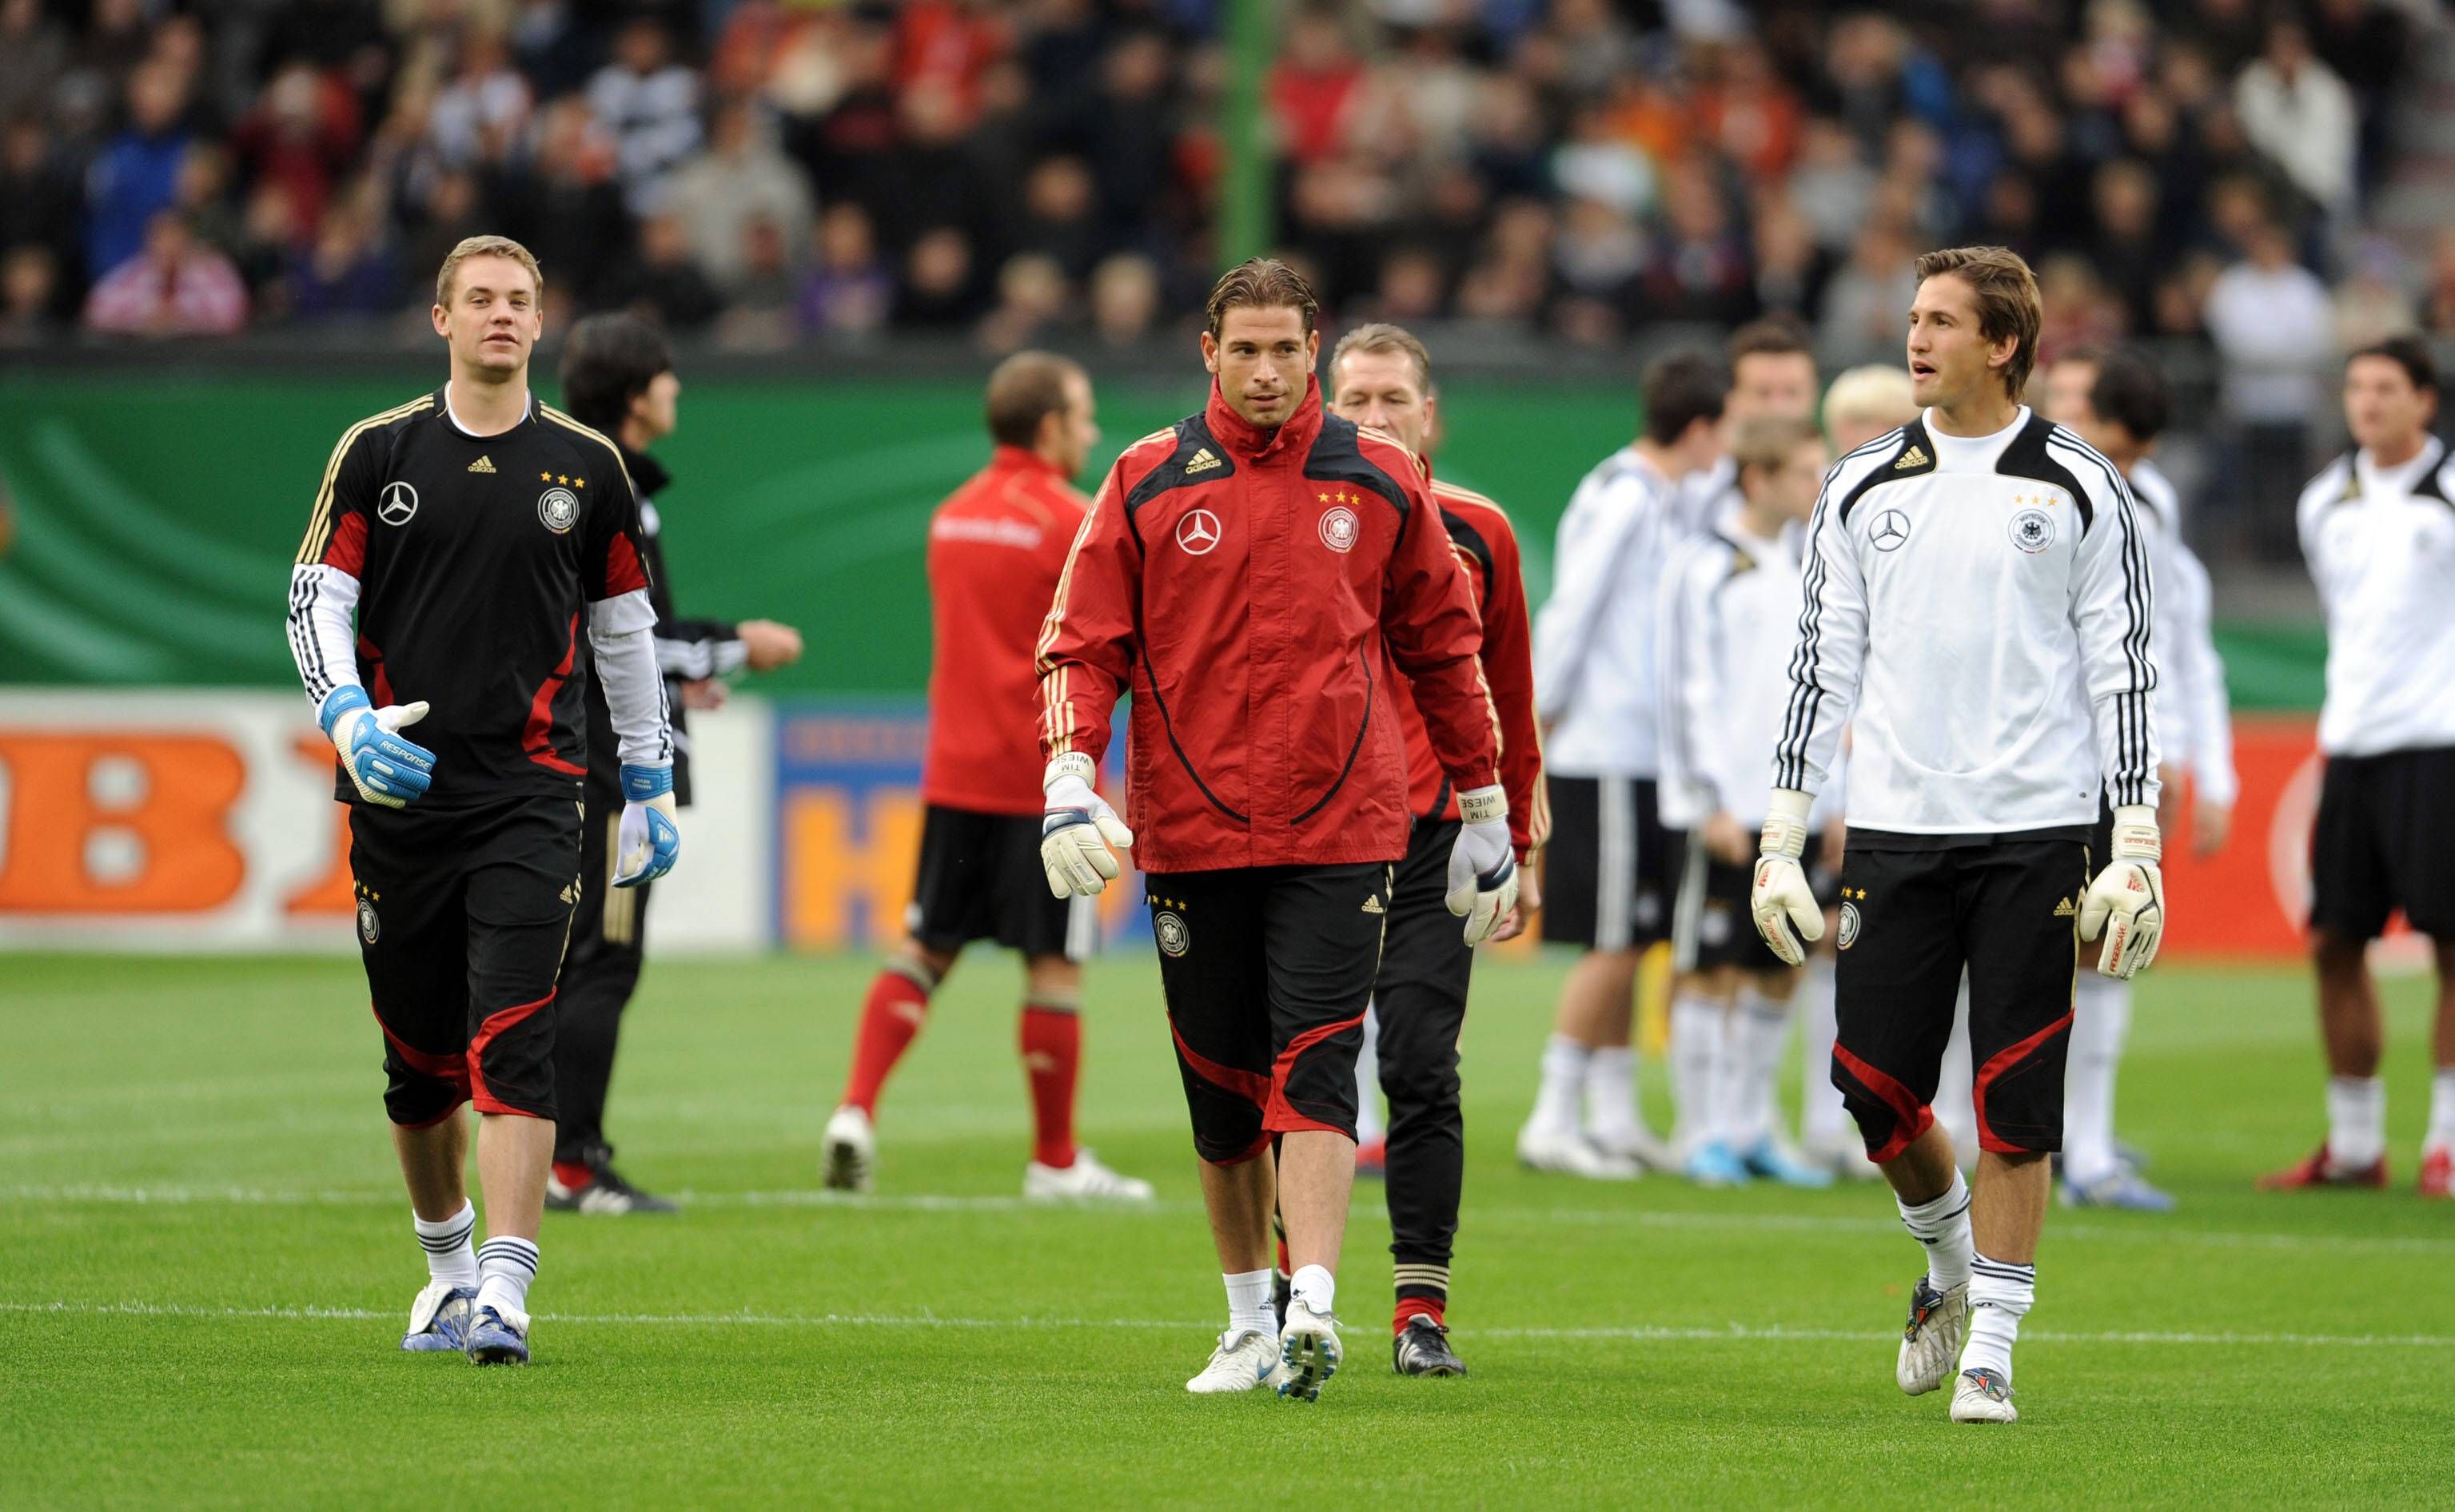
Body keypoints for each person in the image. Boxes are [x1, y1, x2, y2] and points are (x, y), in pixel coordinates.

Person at [1035, 259, 1513, 1401]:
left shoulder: (1378, 476)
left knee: (1316, 1064)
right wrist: (1066, 772)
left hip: (1345, 822)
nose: (1263, 372)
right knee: (1218, 1087)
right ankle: (1245, 1318)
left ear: (1316, 352)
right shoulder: (1145, 477)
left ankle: (1312, 1305)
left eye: (1284, 351)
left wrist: (1484, 803)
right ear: (1207, 351)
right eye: (1243, 350)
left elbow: (1445, 648)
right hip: (1189, 827)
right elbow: (1079, 643)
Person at [1755, 245, 2162, 1424]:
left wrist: (2131, 845)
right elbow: (1815, 670)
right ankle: (1942, 1264)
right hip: (1892, 830)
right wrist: (1782, 835)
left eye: (1940, 321)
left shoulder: (2080, 483)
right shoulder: (1858, 484)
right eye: (1912, 317)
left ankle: (1991, 1340)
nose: (1914, 338)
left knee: (2015, 1100)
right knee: (1869, 1086)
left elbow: (2119, 671)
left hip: (2036, 832)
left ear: (2001, 344)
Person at [284, 235, 680, 1366]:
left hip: (534, 795)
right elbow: (315, 598)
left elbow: (624, 637)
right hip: (399, 795)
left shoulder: (587, 468)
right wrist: (348, 720)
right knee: (418, 1066)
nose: (501, 316)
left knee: (513, 1036)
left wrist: (646, 782)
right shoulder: (376, 452)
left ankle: (506, 1292)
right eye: (481, 300)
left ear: (541, 322)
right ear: (441, 318)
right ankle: (447, 1272)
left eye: (519, 301)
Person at [822, 352, 1154, 1203]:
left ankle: (855, 1108)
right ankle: (1052, 1159)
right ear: (1048, 427)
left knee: (925, 947)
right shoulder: (1072, 522)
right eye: (1080, 416)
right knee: (1052, 967)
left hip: (953, 772)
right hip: (1047, 780)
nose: (1088, 432)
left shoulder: (950, 516)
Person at [1321, 321, 1545, 1377]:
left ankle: (1420, 1312)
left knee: (1417, 1062)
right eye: (1353, 401)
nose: (1371, 420)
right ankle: (1288, 1298)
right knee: (1303, 1071)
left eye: (1390, 402)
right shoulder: (1287, 521)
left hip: (1433, 836)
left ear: (1428, 415)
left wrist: (1518, 838)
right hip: (1309, 834)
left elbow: (1509, 695)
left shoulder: (1477, 531)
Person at [544, 312, 804, 1215]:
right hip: (607, 765)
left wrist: (684, 680)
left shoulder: (598, 477)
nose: (678, 388)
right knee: (600, 961)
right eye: (665, 373)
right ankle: (570, 1162)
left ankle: (556, 1150)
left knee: (581, 960)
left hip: (599, 748)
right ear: (634, 391)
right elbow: (624, 630)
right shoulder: (606, 480)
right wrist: (733, 644)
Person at [1516, 350, 1728, 1180]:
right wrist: (1545, 712)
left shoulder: (1666, 497)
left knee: (1632, 932)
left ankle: (1607, 1111)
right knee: (1608, 938)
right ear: (1702, 427)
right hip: (1601, 746)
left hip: (1642, 752)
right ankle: (1551, 1111)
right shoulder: (1624, 496)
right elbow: (1573, 606)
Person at [2042, 346, 2238, 1211]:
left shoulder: (2147, 507)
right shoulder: (2038, 492)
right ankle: (2028, 1135)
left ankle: (2083, 1144)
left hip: (2114, 756)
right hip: (2040, 753)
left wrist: (2190, 761)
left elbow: (2170, 641)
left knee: (2108, 940)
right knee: (2012, 949)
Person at [2266, 336, 2455, 1199]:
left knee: (2449, 946)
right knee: (2334, 942)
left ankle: (2445, 1143)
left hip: (2437, 745)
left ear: (2424, 400)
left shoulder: (2446, 491)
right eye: (2354, 386)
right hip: (2349, 748)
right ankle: (2352, 1144)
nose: (2365, 401)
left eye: (2385, 387)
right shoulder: (2322, 502)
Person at [1657, 415, 1835, 1191]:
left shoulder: (1804, 564)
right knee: (1708, 966)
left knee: (1780, 961)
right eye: (1804, 472)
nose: (1817, 486)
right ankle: (1698, 1132)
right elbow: (1682, 688)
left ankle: (1751, 1124)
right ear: (1757, 479)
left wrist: (1834, 801)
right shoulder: (1703, 566)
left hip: (1793, 803)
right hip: (1726, 805)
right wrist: (1706, 801)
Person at [1799, 364, 1922, 1178]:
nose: (1861, 443)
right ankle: (1824, 1113)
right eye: (1849, 427)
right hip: (1828, 777)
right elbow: (1818, 667)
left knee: (1916, 954)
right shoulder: (1809, 519)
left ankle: (1914, 1111)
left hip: (1908, 773)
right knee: (1825, 946)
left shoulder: (1915, 518)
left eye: (1878, 427)